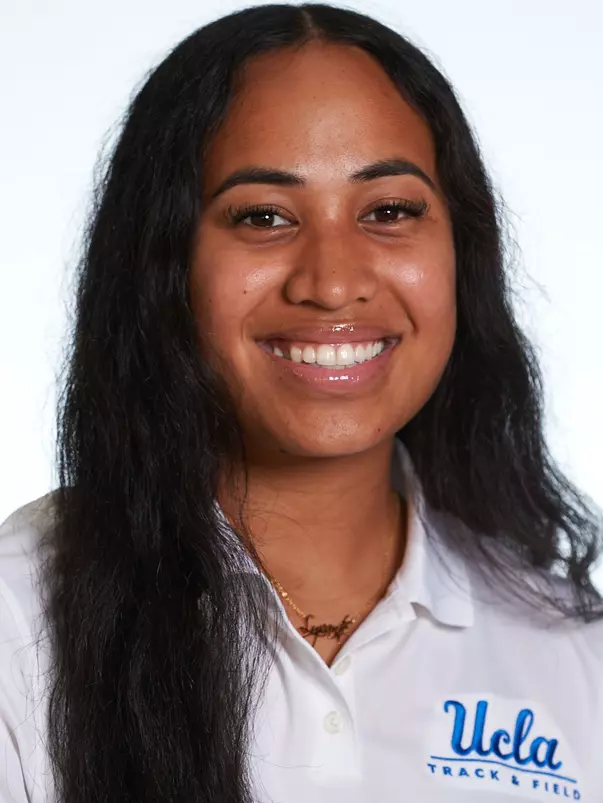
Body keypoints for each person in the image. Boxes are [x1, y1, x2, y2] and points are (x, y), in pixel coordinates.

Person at [1, 3, 602, 802]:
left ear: (462, 251)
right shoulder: (18, 628)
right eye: (264, 216)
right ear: (163, 263)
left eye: (388, 211)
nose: (330, 281)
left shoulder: (570, 647)